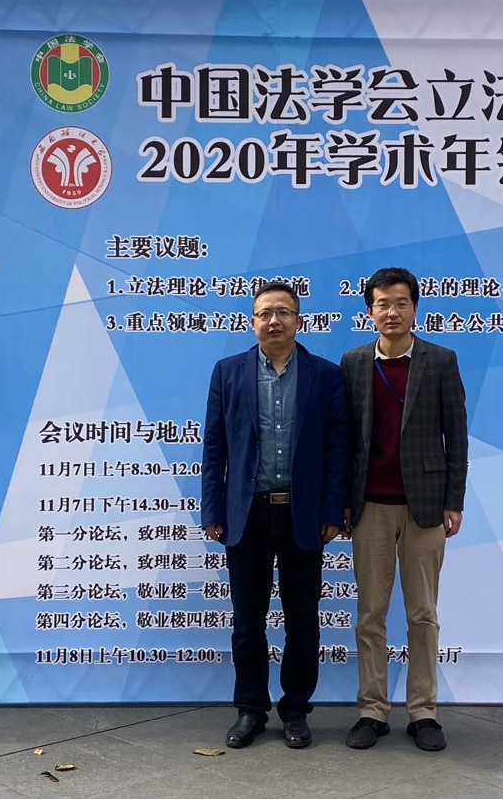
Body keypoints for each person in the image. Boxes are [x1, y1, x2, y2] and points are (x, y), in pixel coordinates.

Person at [202, 281, 349, 749]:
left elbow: (338, 449)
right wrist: (212, 509)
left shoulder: (325, 375)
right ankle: (250, 708)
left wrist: (333, 510)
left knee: (302, 620)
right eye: (265, 313)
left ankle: (296, 709)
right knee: (248, 621)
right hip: (247, 515)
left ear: (299, 320)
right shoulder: (228, 372)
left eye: (284, 312)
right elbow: (215, 447)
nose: (274, 321)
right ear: (252, 322)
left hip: (303, 516)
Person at [340, 267, 467, 752]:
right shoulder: (353, 362)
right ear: (369, 311)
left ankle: (423, 712)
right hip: (369, 505)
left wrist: (454, 500)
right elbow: (344, 438)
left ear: (415, 309)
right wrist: (342, 502)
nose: (392, 312)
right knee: (370, 614)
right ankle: (372, 710)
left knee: (422, 614)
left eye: (401, 303)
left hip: (425, 507)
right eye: (382, 304)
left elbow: (456, 435)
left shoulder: (440, 360)